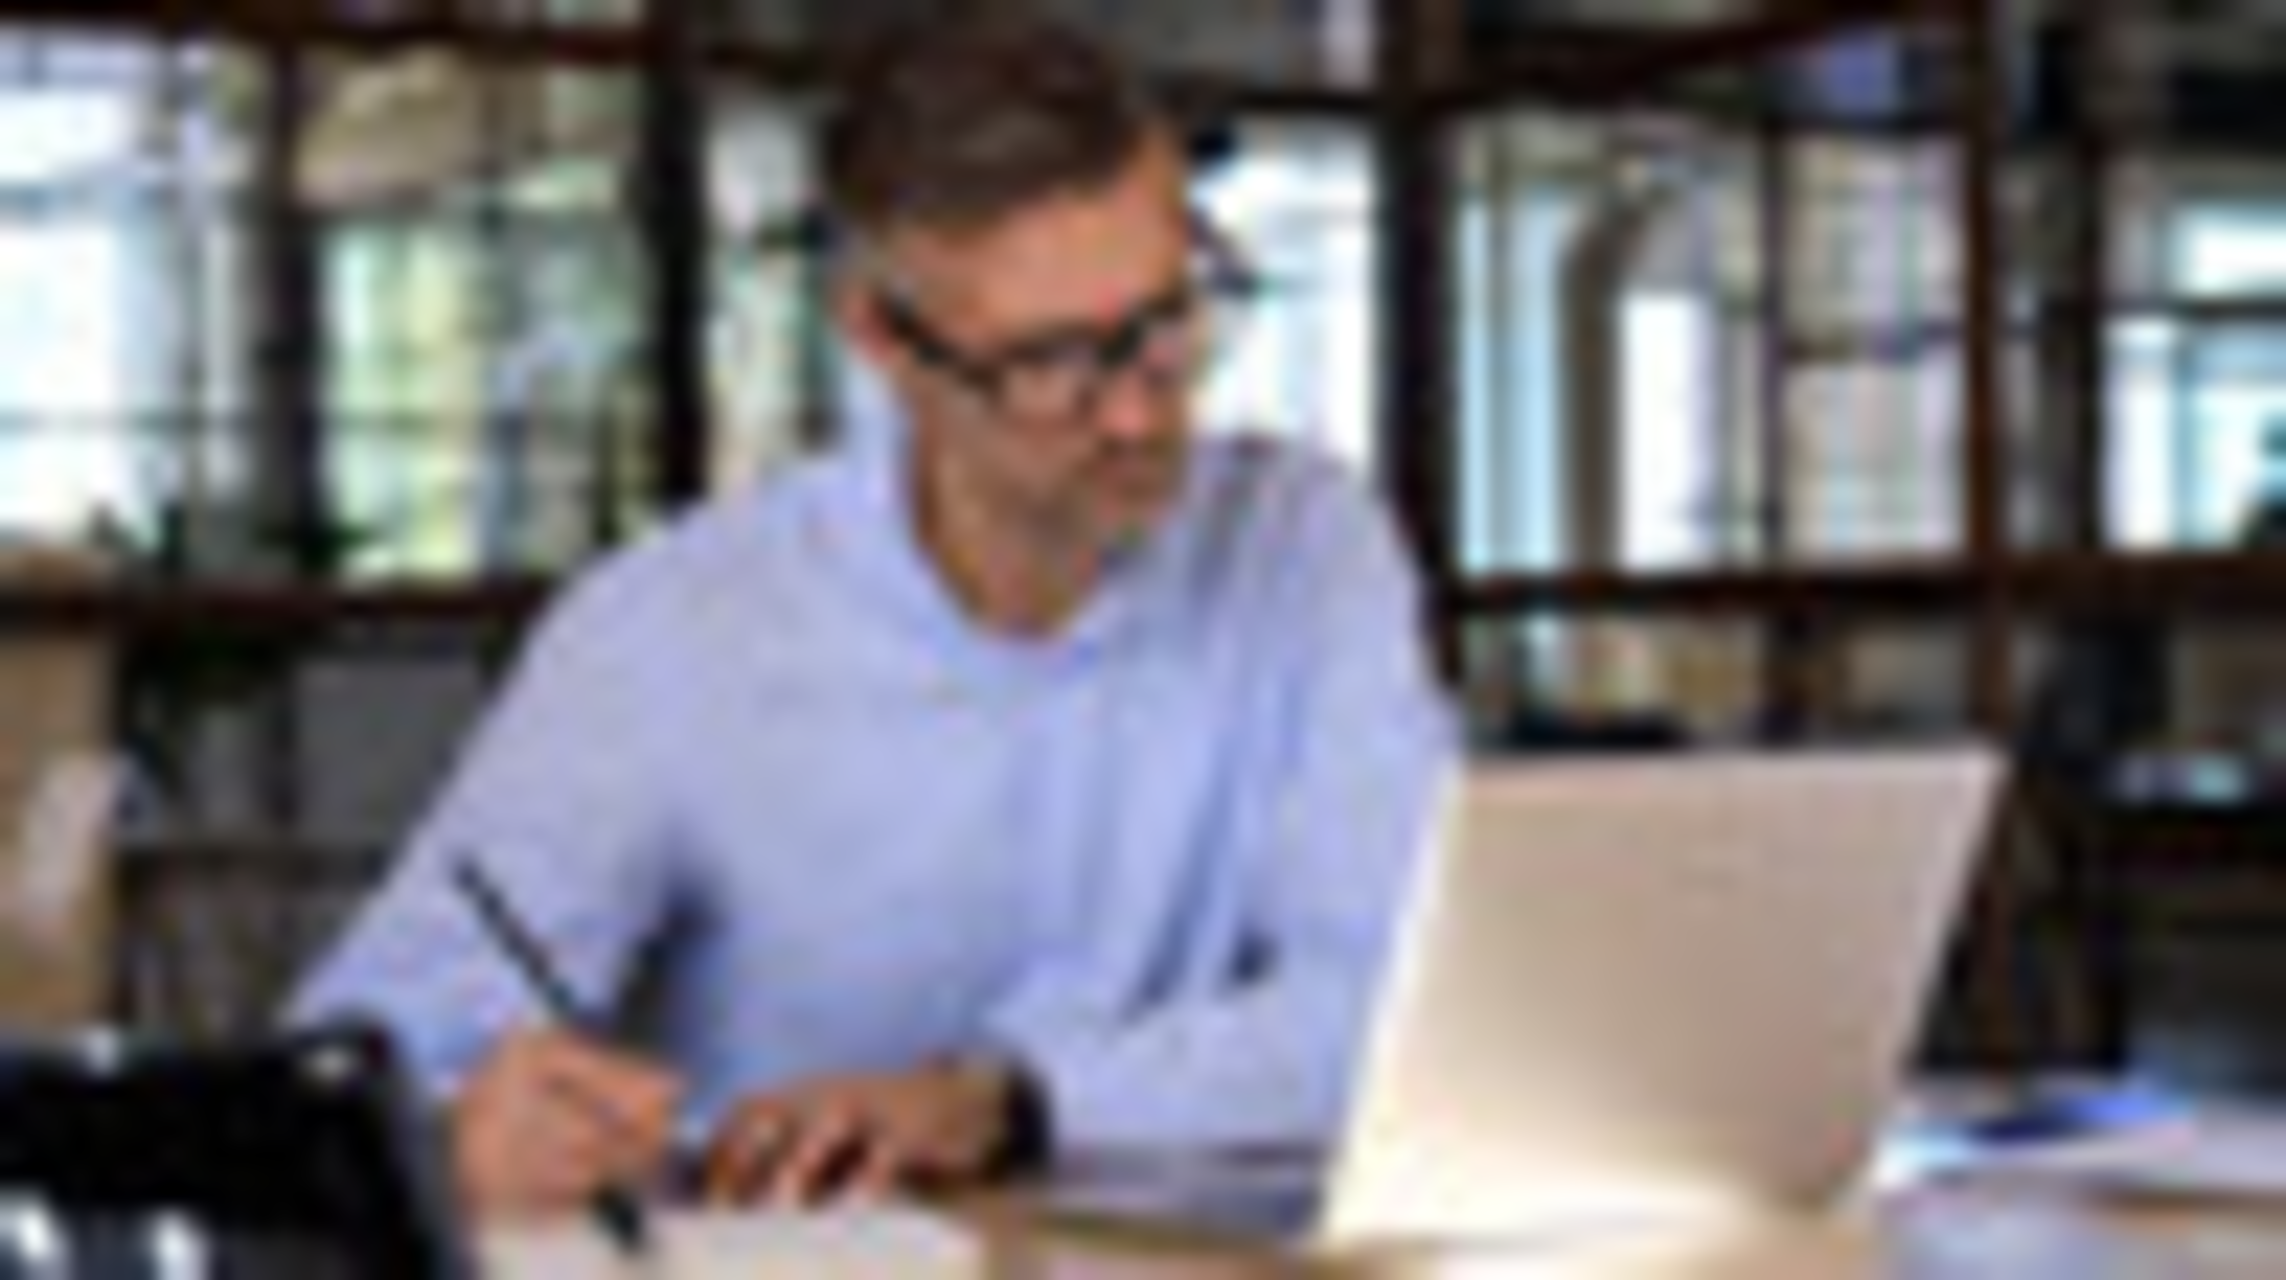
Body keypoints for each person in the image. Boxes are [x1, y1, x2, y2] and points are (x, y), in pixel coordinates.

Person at [293, 7, 1451, 1218]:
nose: (1138, 417)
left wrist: (1006, 1103)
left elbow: (1405, 1007)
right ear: (879, 339)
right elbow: (353, 1066)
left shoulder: (1304, 544)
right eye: (1051, 364)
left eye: (1165, 325)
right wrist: (455, 1137)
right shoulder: (673, 631)